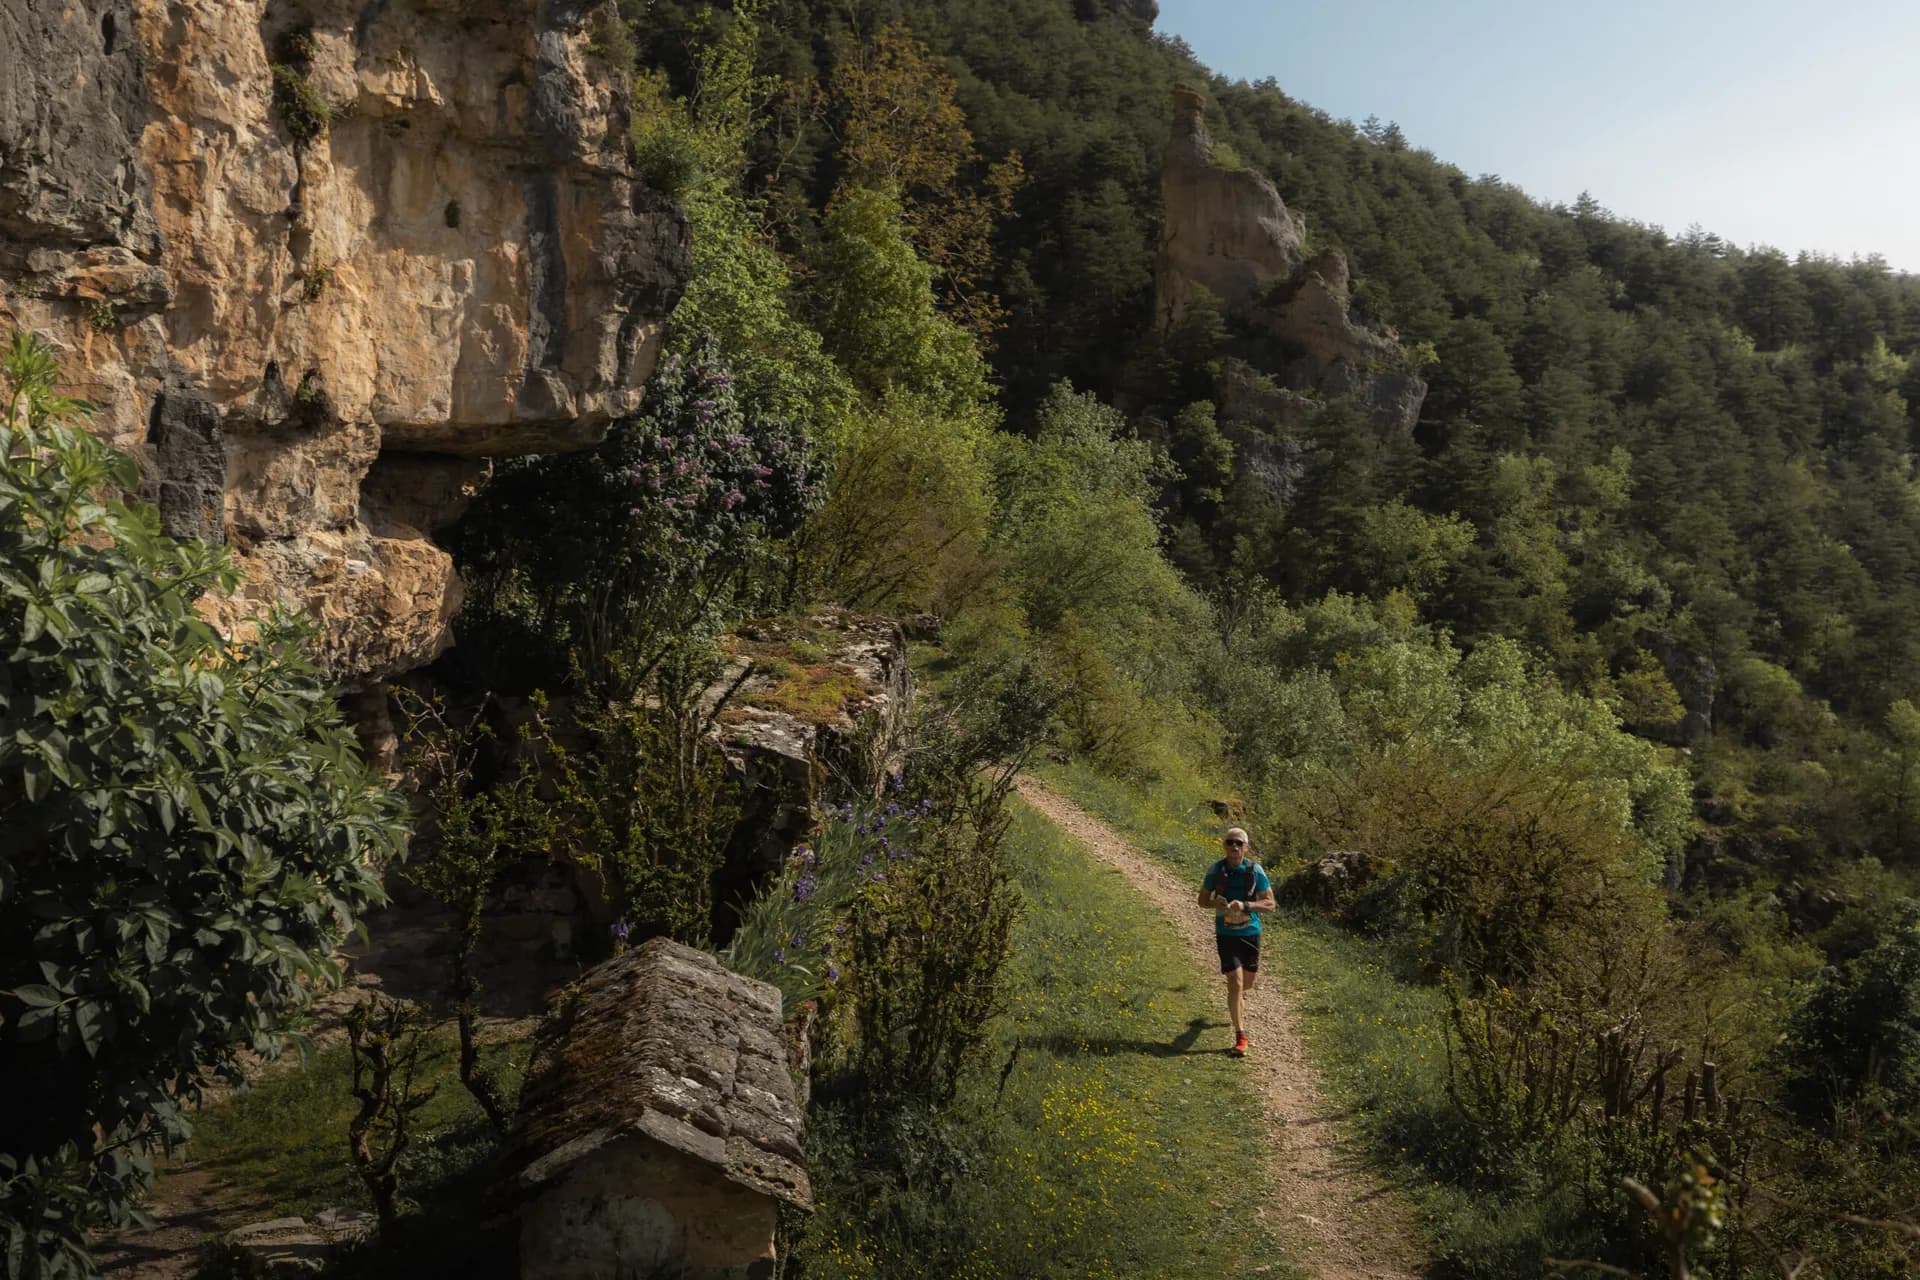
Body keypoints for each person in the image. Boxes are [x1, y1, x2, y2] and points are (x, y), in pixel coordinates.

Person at [1197, 826, 1274, 1056]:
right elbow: (1202, 900)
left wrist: (1245, 905)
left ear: (1246, 847)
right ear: (1224, 845)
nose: (1234, 847)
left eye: (1239, 843)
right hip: (1226, 934)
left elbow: (1271, 904)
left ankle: (1236, 1001)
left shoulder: (1255, 870)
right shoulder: (1216, 870)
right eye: (1230, 842)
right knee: (1236, 983)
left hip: (1250, 932)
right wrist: (1216, 903)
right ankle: (1241, 1035)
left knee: (1246, 984)